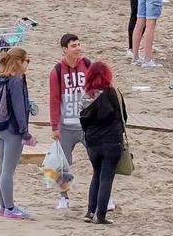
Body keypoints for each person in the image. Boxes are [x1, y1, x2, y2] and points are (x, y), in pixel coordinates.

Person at [0, 45, 34, 220]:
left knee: (2, 167)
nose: (28, 64)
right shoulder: (16, 80)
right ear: (19, 62)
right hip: (12, 128)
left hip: (0, 126)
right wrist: (25, 133)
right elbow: (19, 109)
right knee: (8, 170)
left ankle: (4, 206)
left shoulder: (1, 77)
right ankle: (10, 207)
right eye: (27, 60)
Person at [48, 31, 93, 210]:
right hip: (66, 126)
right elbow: (54, 99)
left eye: (79, 45)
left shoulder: (87, 65)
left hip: (86, 124)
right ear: (64, 49)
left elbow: (94, 91)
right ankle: (63, 197)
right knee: (63, 164)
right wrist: (54, 126)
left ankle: (106, 196)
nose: (78, 49)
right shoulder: (57, 71)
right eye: (73, 46)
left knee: (97, 160)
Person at [78, 59, 125, 224]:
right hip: (112, 141)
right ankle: (102, 215)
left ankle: (90, 212)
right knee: (106, 177)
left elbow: (82, 119)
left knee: (96, 175)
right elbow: (123, 117)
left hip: (93, 142)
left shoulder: (85, 96)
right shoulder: (112, 93)